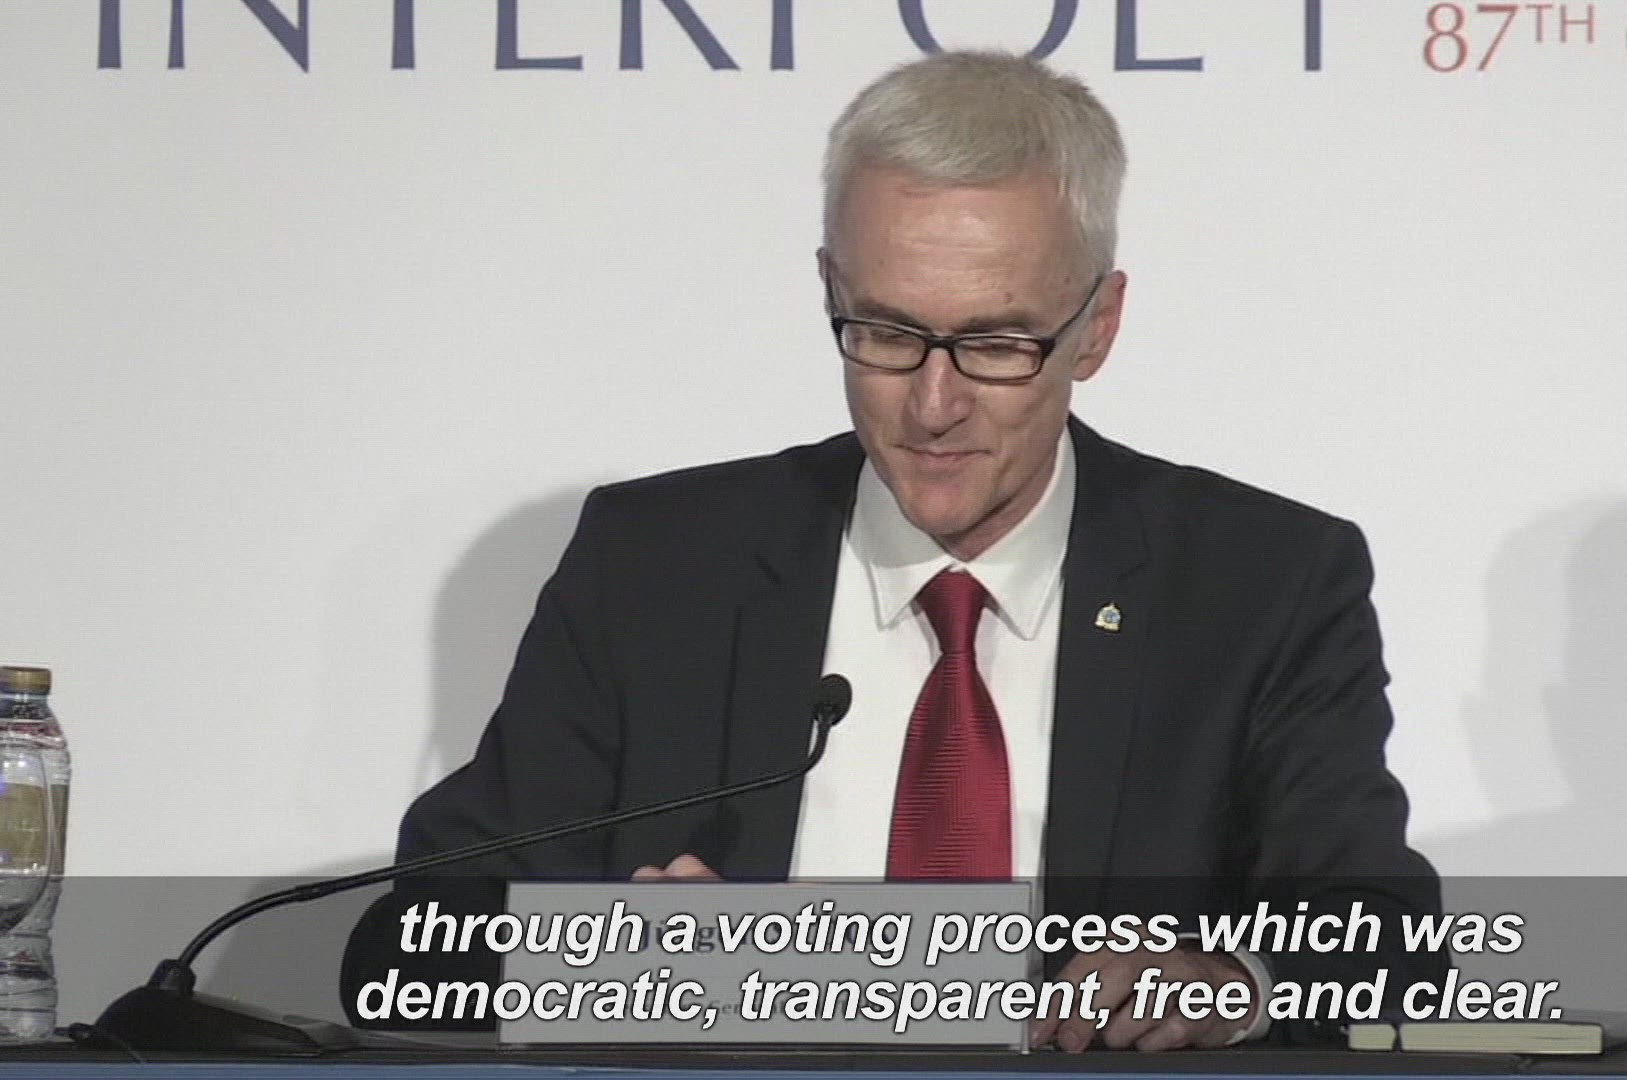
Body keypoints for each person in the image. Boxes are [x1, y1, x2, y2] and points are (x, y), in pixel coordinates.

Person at [345, 50, 1443, 1050]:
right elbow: (409, 952)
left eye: (997, 343)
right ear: (831, 291)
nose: (933, 404)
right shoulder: (656, 567)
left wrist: (1228, 981)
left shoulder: (1261, 584)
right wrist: (618, 965)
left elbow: (1388, 938)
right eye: (885, 332)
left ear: (1098, 328)